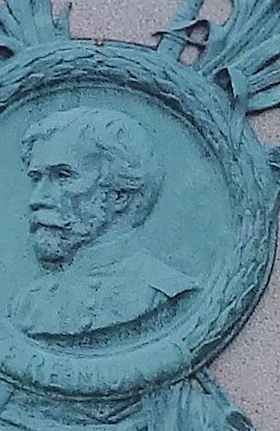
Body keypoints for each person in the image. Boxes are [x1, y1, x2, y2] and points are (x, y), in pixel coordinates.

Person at [15, 101, 197, 342]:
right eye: (36, 179)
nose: (36, 199)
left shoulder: (169, 295)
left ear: (120, 194)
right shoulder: (28, 305)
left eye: (63, 176)